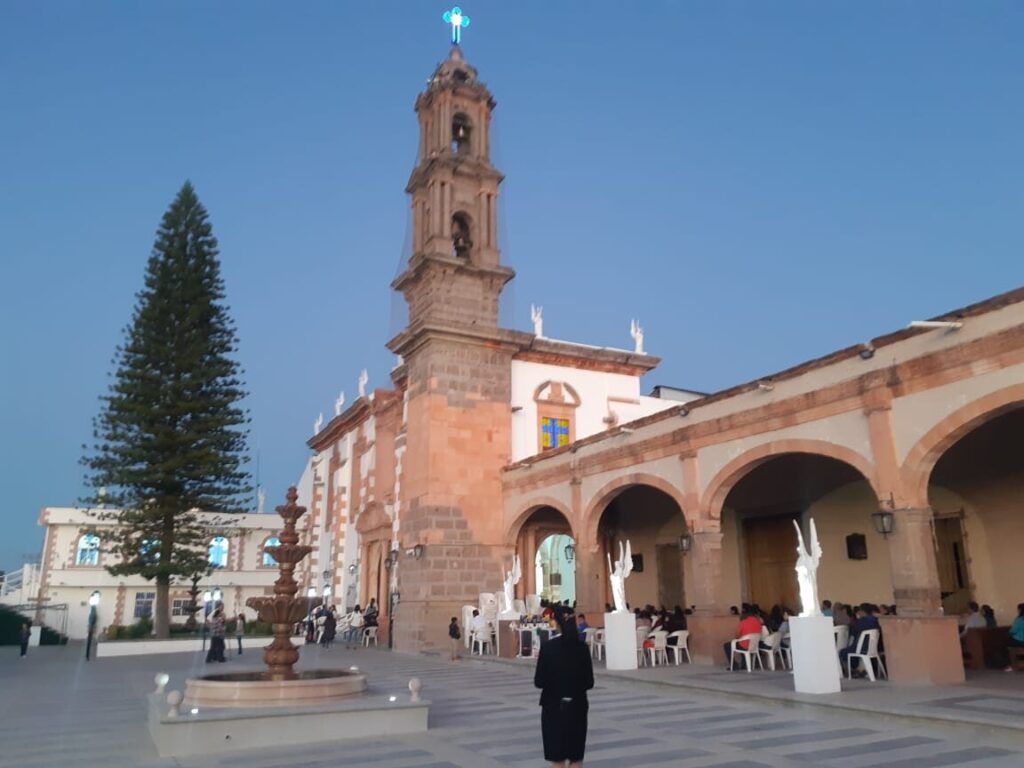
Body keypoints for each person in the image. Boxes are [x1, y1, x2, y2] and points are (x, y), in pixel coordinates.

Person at [534, 608, 594, 768]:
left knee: (557, 757)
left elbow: (538, 681)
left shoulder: (548, 648)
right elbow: (589, 682)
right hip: (577, 706)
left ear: (557, 623)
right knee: (576, 757)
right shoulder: (582, 648)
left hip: (553, 707)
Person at [841, 603, 881, 677]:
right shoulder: (876, 620)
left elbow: (853, 634)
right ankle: (859, 670)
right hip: (873, 648)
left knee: (842, 652)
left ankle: (852, 671)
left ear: (862, 611)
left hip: (862, 648)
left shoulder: (861, 622)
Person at [1004, 603, 1024, 672]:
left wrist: (1008, 633)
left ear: (1020, 610)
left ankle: (1013, 665)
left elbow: (1013, 630)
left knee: (1008, 646)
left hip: (1020, 640)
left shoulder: (1019, 619)